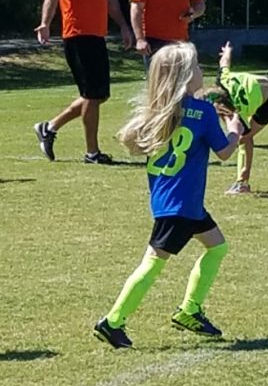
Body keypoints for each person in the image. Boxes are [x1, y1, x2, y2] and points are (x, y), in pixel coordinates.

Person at [94, 43, 241, 349]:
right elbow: (225, 153)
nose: (202, 71)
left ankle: (189, 310)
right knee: (152, 264)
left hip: (174, 202)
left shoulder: (160, 110)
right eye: (198, 66)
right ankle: (113, 321)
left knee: (217, 246)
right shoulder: (201, 112)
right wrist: (235, 129)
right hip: (182, 205)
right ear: (185, 76)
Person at [33, 0, 133, 165]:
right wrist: (45, 23)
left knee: (99, 94)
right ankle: (92, 152)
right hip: (77, 34)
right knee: (92, 94)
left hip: (97, 33)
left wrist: (122, 24)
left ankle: (50, 127)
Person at [204, 40, 268, 195]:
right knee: (245, 137)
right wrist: (227, 51)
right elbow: (224, 62)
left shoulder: (234, 111)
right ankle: (242, 183)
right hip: (267, 84)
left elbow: (237, 133)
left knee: (243, 138)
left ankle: (242, 184)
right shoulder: (222, 80)